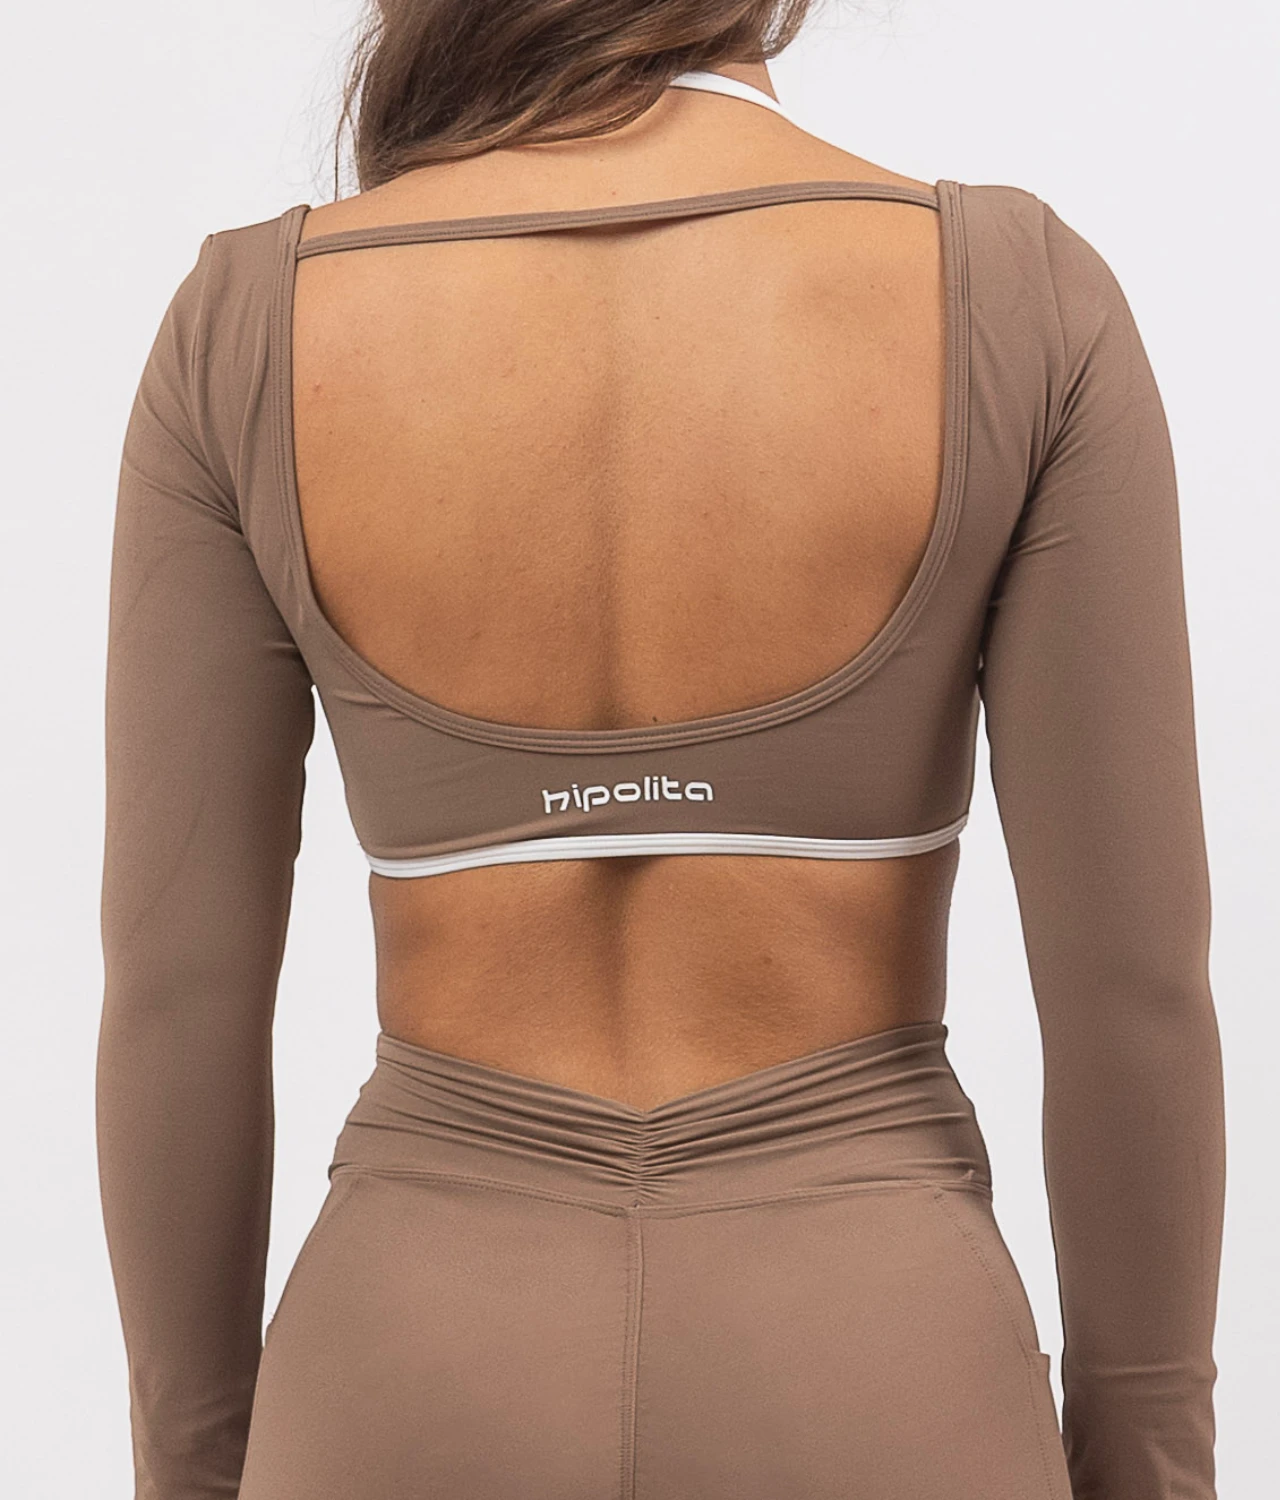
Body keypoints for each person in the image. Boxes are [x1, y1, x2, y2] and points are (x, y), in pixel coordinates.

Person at [96, 3, 1225, 1498]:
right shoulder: (1014, 294)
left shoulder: (248, 321)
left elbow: (176, 993)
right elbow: (1131, 994)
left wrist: (196, 1481)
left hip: (411, 1357)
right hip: (873, 1353)